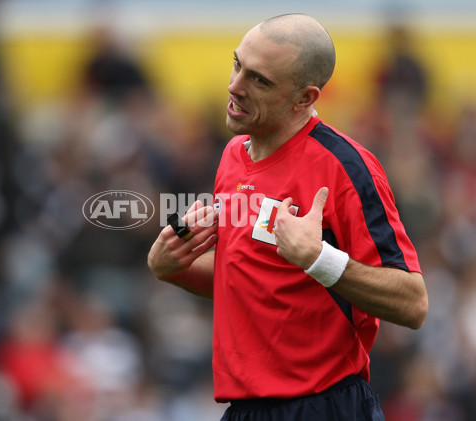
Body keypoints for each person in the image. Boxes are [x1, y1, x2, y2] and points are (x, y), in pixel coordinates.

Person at [147, 13, 428, 421]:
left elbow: (413, 303)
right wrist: (171, 268)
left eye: (259, 80)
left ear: (305, 98)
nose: (235, 86)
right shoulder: (232, 156)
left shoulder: (345, 167)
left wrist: (319, 260)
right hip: (245, 410)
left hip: (325, 406)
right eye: (238, 64)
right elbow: (249, 283)